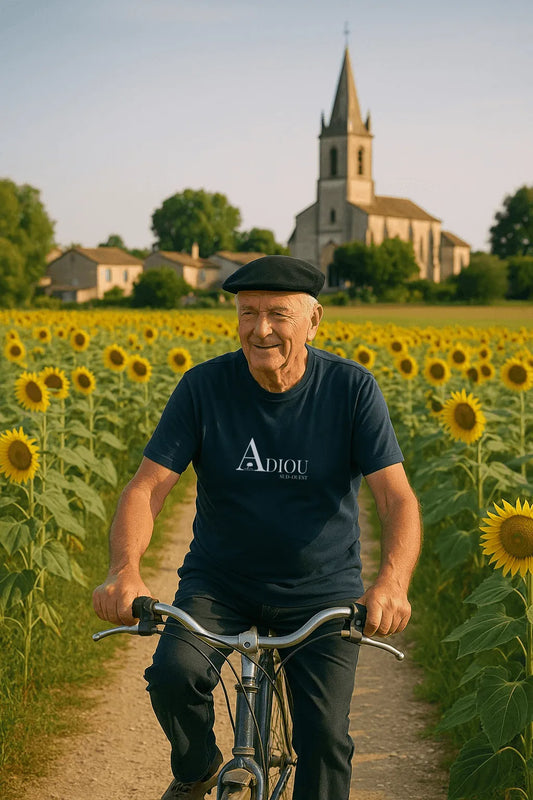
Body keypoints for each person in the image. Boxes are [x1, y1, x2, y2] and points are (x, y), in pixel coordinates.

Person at [92, 255, 421, 800]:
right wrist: (124, 571)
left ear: (314, 320)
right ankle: (197, 768)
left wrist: (392, 582)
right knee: (174, 676)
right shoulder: (203, 388)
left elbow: (397, 498)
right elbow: (148, 488)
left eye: (278, 314)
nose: (260, 329)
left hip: (321, 592)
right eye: (248, 313)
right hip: (221, 584)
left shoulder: (352, 390)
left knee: (325, 741)